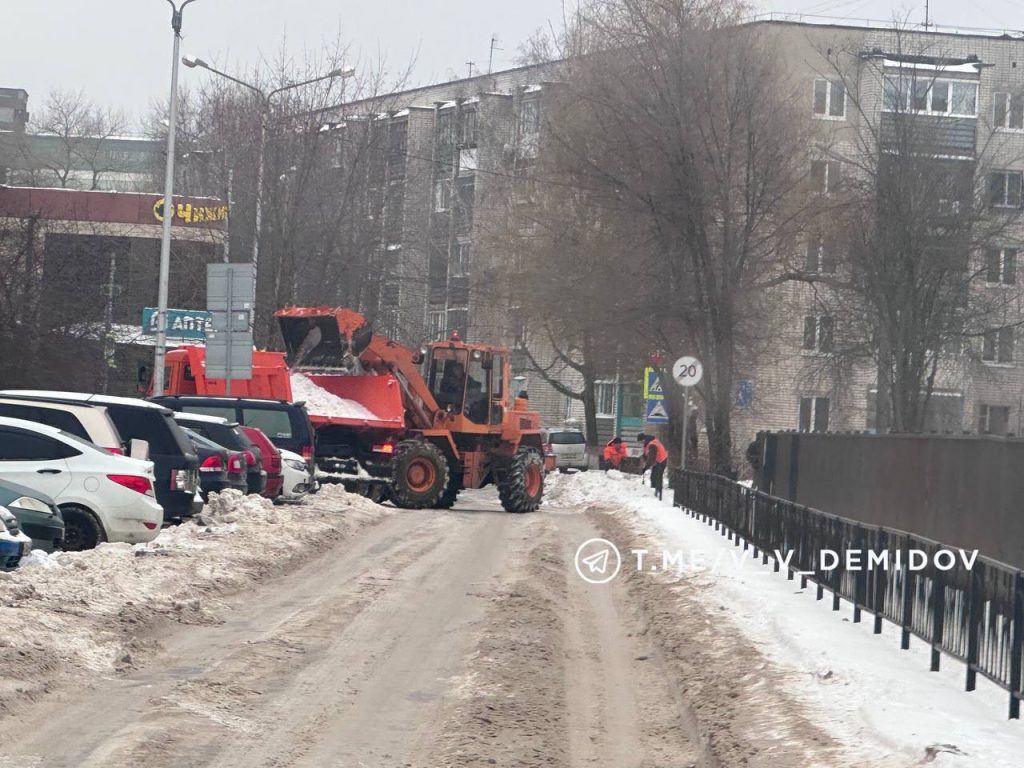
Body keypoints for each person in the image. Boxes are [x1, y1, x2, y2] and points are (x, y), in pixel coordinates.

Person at [637, 432, 669, 500]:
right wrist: (643, 457)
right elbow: (647, 454)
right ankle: (656, 492)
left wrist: (645, 468)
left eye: (640, 442)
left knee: (656, 476)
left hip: (661, 460)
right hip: (659, 459)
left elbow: (651, 458)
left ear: (643, 439)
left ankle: (657, 494)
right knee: (654, 476)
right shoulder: (649, 442)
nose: (641, 444)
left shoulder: (652, 444)